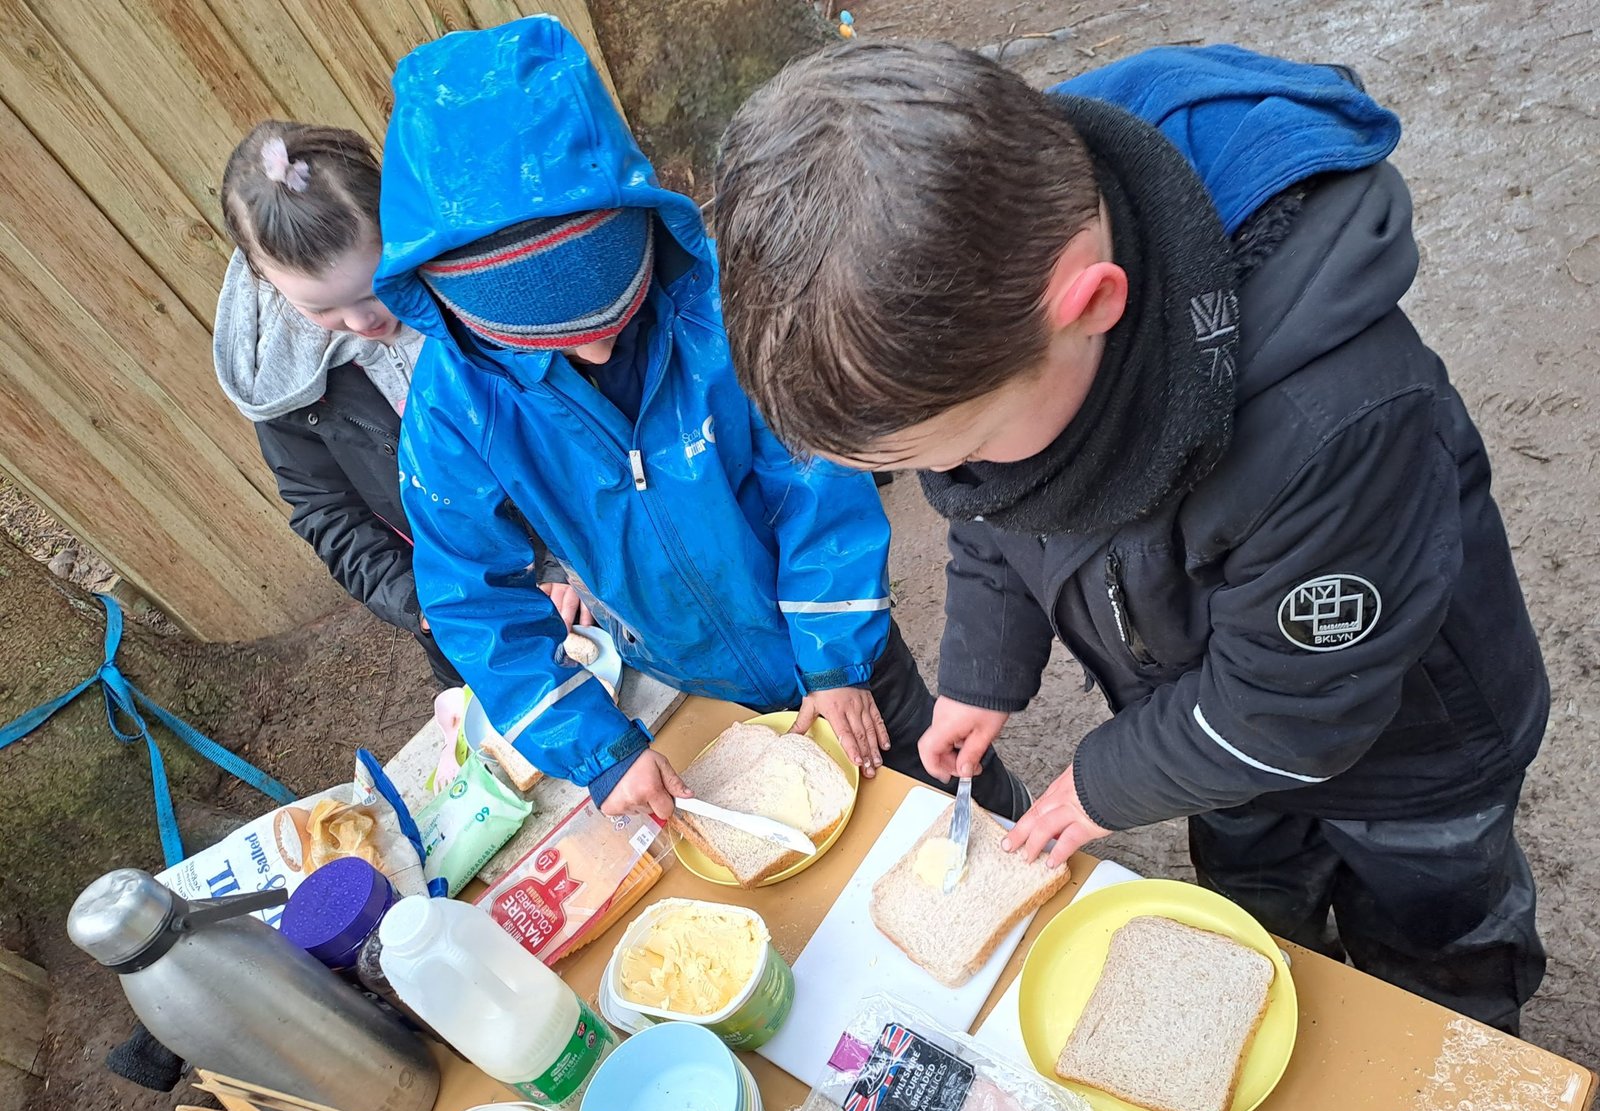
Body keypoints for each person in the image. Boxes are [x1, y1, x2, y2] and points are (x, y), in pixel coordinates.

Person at [712, 42, 1548, 1032]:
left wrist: (1107, 782)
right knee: (1252, 892)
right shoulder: (1002, 342)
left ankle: (1456, 1051)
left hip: (1408, 747)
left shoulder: (1329, 416)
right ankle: (1286, 974)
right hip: (1198, 722)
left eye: (963, 442)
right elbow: (991, 510)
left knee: (1433, 932)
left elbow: (1293, 711)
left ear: (1090, 305)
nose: (954, 477)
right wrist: (982, 672)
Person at [372, 17, 1026, 820]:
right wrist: (601, 749)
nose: (603, 351)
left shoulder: (723, 301)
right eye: (557, 336)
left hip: (839, 644)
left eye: (616, 305)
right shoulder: (453, 409)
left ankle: (1013, 823)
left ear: (645, 227)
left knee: (943, 789)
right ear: (456, 306)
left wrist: (834, 659)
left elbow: (813, 466)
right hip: (696, 672)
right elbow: (475, 599)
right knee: (808, 830)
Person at [215, 121, 580, 685]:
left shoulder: (479, 285)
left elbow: (566, 422)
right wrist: (423, 602)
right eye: (323, 310)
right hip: (469, 619)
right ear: (267, 282)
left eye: (377, 286)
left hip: (592, 560)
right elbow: (326, 512)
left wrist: (565, 562)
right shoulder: (280, 387)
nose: (363, 322)